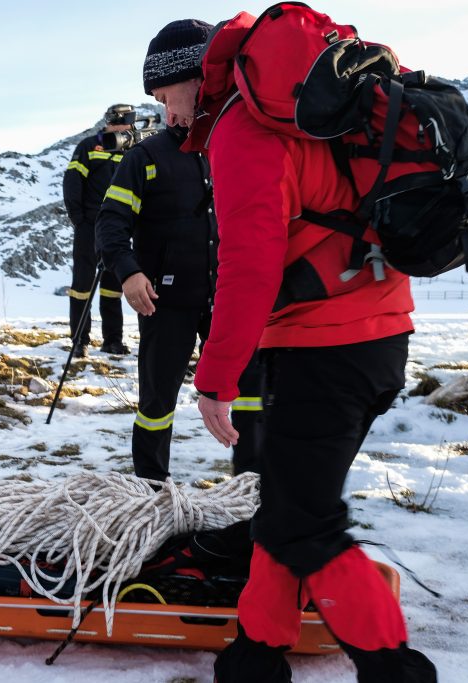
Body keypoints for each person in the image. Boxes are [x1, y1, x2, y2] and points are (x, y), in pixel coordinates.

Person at [145, 16, 436, 682]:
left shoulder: (246, 131)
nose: (164, 110)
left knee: (306, 519)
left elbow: (249, 264)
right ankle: (257, 651)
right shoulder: (302, 111)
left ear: (193, 78)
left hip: (328, 345)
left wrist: (216, 376)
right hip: (372, 330)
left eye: (165, 94)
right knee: (285, 501)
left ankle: (394, 665)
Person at [95, 28, 261, 482]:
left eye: (171, 98)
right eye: (161, 102)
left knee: (249, 391)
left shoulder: (227, 145)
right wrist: (128, 273)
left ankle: (251, 485)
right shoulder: (144, 157)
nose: (169, 111)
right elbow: (110, 223)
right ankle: (151, 486)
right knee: (156, 401)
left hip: (225, 300)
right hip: (164, 303)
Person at [62, 104, 133, 356]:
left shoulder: (133, 149)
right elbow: (72, 181)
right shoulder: (90, 146)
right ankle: (79, 341)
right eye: (127, 121)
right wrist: (79, 219)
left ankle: (112, 340)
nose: (130, 126)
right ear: (114, 121)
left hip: (120, 229)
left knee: (113, 285)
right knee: (82, 284)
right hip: (89, 226)